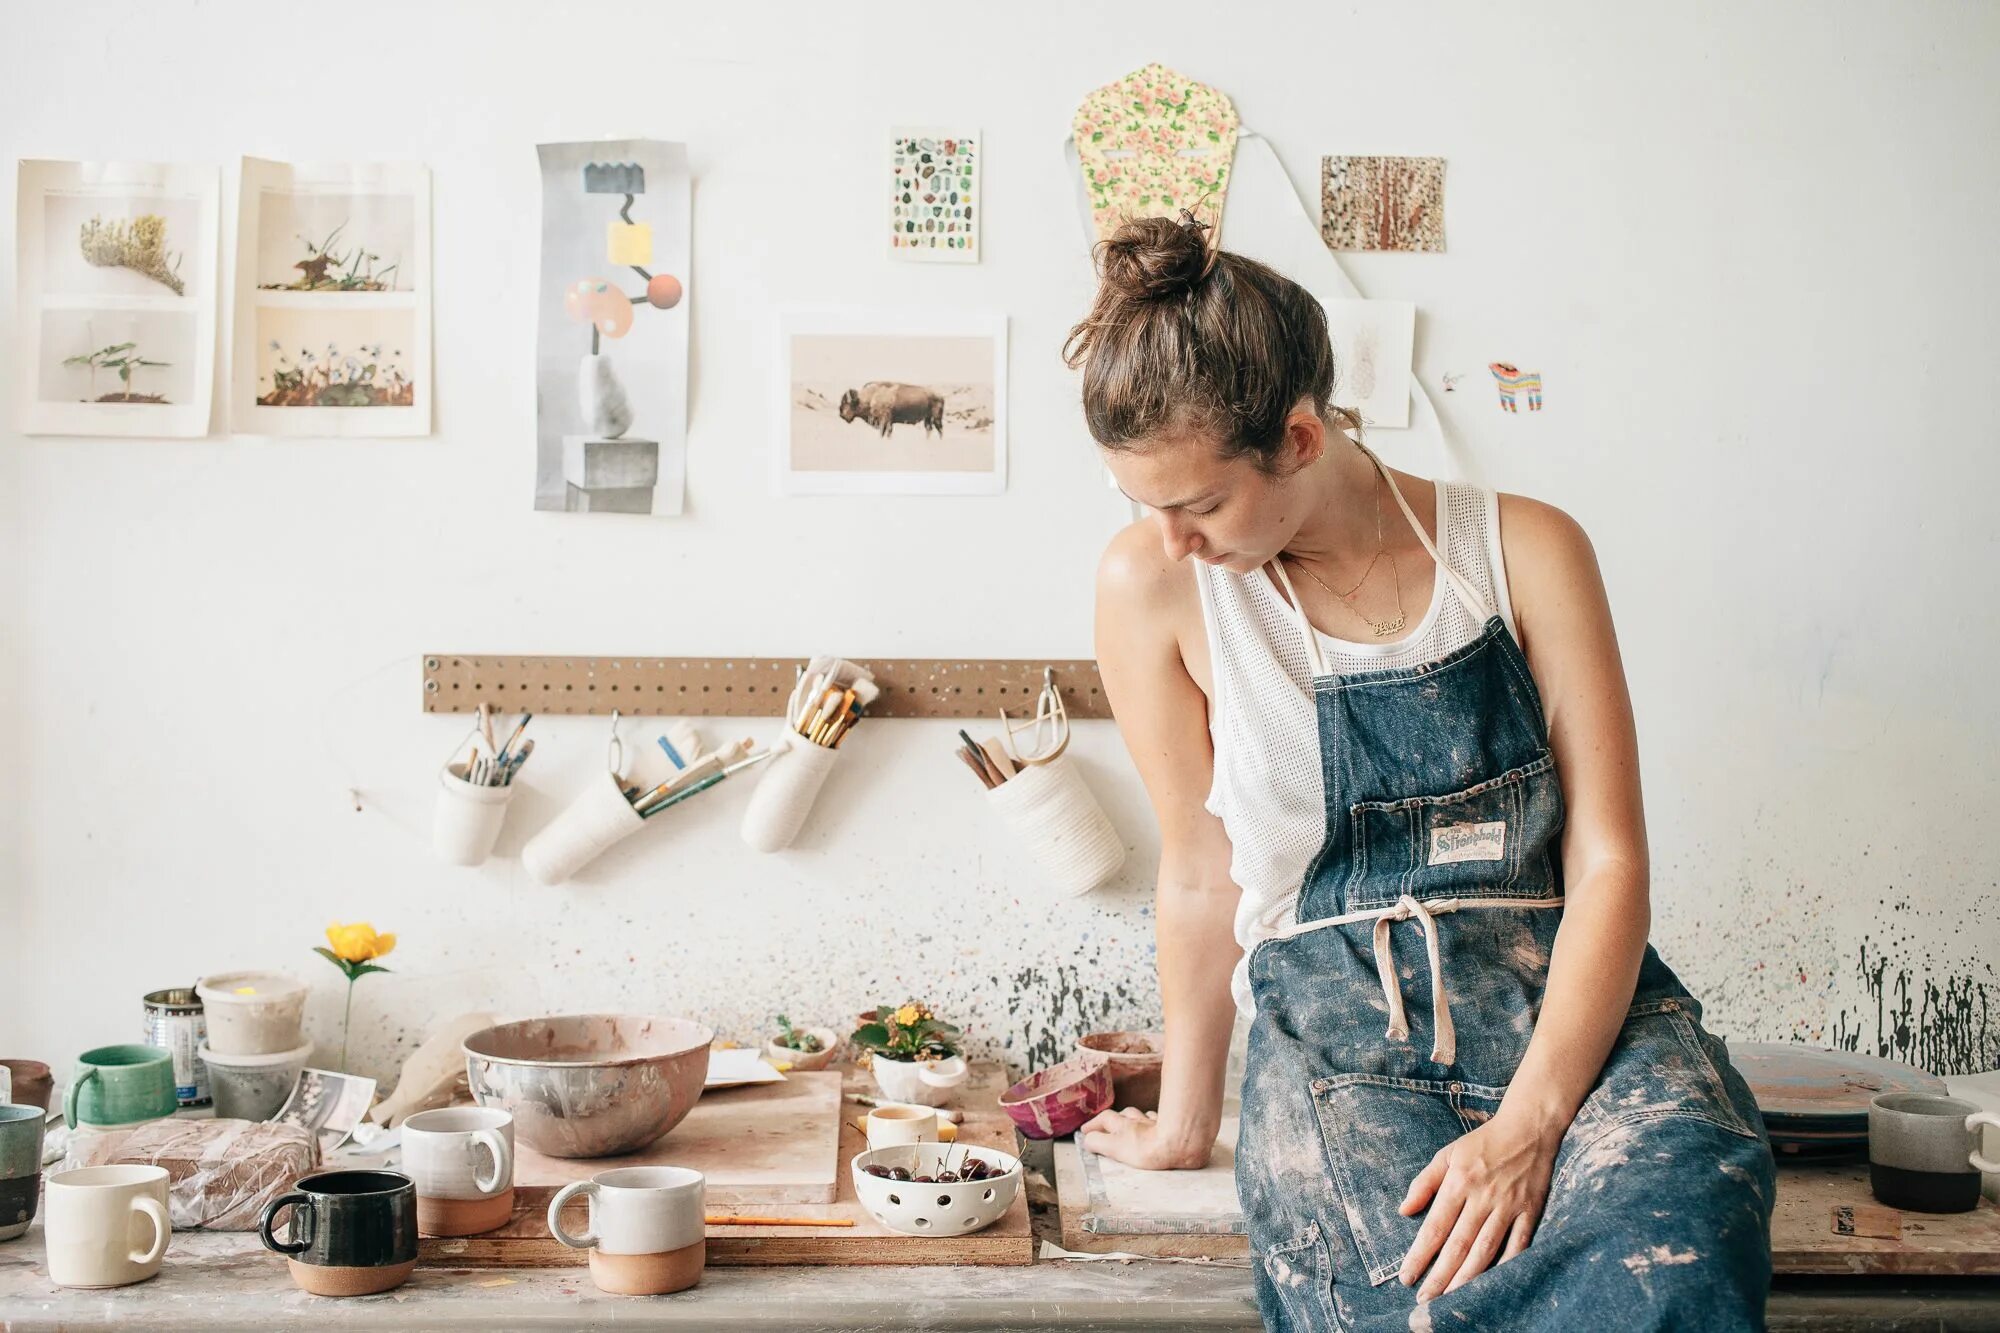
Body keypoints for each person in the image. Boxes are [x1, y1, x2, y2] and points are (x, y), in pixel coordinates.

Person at [1071, 213, 1775, 1331]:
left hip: (1575, 1017)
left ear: (1298, 438)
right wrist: (1183, 1123)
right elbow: (1200, 875)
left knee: (1675, 1239)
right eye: (1139, 504)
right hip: (1338, 1032)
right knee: (1399, 1297)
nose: (1170, 540)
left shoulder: (1525, 550)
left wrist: (1532, 1122)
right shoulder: (1151, 588)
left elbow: (1607, 864)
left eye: (1197, 504)